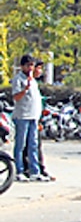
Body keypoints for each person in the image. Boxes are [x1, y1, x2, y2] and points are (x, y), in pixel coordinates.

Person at [11, 54, 44, 182]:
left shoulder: (33, 80)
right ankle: (18, 170)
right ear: (22, 66)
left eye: (32, 65)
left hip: (33, 116)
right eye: (28, 65)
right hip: (22, 116)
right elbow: (16, 97)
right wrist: (25, 88)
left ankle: (34, 171)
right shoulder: (18, 79)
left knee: (33, 145)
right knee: (21, 145)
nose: (30, 68)